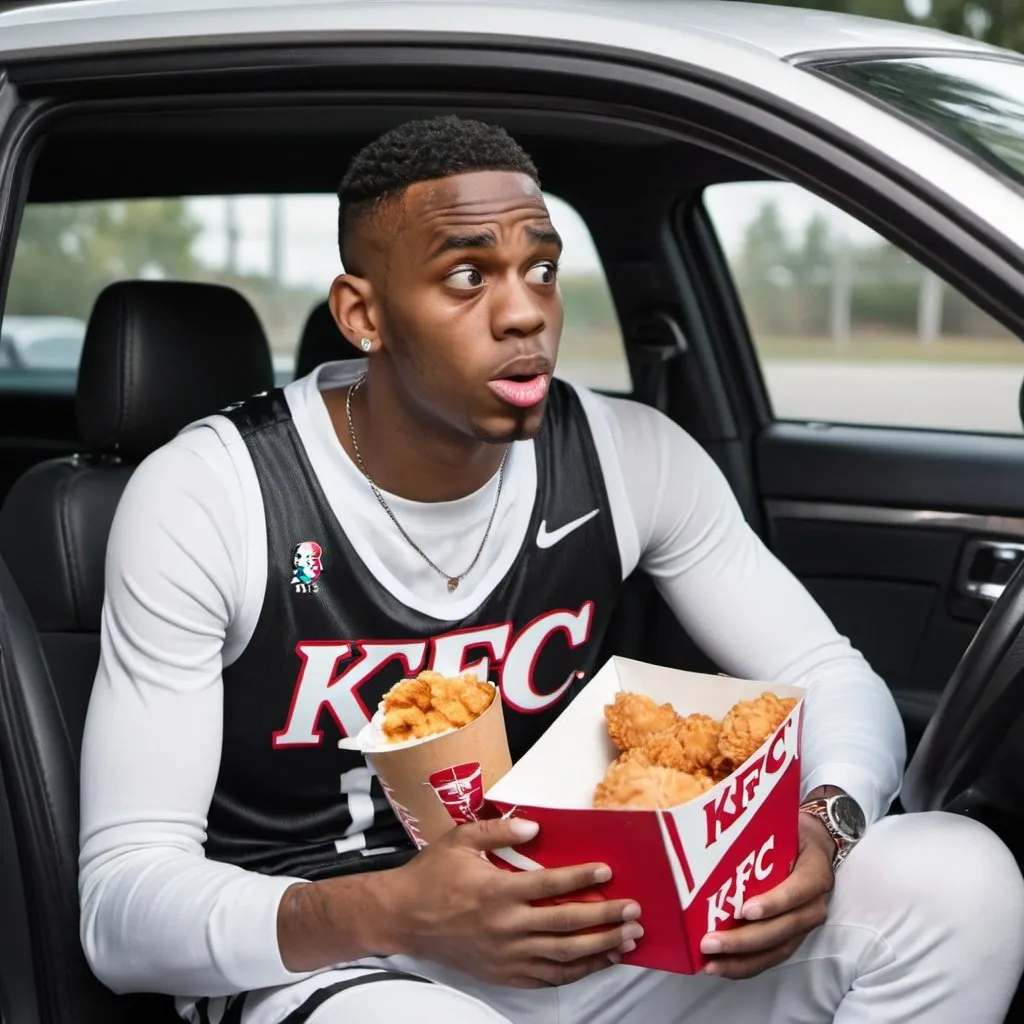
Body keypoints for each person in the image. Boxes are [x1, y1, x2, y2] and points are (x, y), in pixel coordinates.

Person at [78, 115, 1024, 1024]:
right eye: (465, 275)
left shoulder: (627, 453)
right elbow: (119, 907)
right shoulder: (211, 495)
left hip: (585, 922)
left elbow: (829, 678)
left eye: (540, 267)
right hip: (339, 953)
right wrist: (397, 909)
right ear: (363, 314)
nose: (525, 309)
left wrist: (822, 828)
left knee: (956, 880)